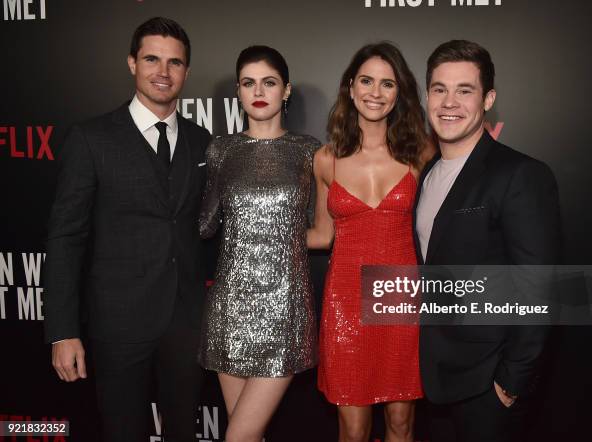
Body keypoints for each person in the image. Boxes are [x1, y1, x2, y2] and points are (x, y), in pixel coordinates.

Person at [42, 17, 211, 442]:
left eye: (175, 62)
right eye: (152, 59)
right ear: (132, 63)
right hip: (117, 323)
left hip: (187, 321)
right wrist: (63, 331)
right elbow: (65, 239)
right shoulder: (91, 139)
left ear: (187, 72)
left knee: (184, 434)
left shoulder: (202, 141)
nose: (163, 71)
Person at [415, 40, 562, 442]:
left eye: (465, 90)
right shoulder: (427, 174)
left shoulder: (520, 175)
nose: (449, 102)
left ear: (488, 98)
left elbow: (539, 287)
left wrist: (509, 385)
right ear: (427, 95)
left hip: (488, 386)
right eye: (439, 89)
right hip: (436, 383)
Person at [307, 42, 431, 442]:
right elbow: (323, 236)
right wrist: (262, 234)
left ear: (400, 93)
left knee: (401, 424)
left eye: (387, 83)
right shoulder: (325, 159)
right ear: (349, 87)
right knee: (353, 429)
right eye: (366, 80)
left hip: (401, 300)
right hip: (346, 305)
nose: (375, 92)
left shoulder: (421, 153)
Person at [198, 45, 319, 442]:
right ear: (238, 91)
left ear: (286, 90)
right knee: (246, 434)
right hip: (230, 308)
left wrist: (275, 236)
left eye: (269, 82)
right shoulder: (221, 149)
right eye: (249, 83)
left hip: (285, 309)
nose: (259, 91)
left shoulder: (309, 151)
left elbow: (323, 231)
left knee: (239, 436)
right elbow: (205, 224)